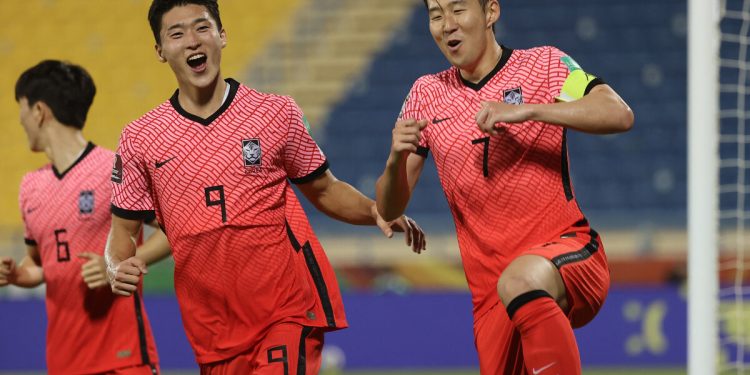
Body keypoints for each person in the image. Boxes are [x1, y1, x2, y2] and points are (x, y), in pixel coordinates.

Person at [105, 1, 426, 373]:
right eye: (176, 34)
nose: (192, 41)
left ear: (222, 36)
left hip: (285, 309)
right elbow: (123, 232)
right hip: (213, 330)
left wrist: (375, 211)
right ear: (160, 51)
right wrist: (116, 266)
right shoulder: (140, 139)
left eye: (202, 28)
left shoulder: (275, 112)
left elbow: (323, 189)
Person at [375, 0, 634, 374]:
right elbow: (388, 209)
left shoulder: (544, 65)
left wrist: (528, 109)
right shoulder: (425, 93)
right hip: (491, 296)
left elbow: (618, 113)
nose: (446, 24)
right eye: (435, 14)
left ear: (491, 12)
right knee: (512, 287)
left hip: (569, 253)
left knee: (520, 279)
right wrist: (395, 159)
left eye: (458, 10)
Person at [0, 60, 172, 375]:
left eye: (21, 108)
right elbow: (40, 263)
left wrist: (116, 266)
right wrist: (17, 276)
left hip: (124, 360)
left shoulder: (113, 170)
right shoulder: (30, 187)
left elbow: (171, 231)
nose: (20, 119)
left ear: (38, 111)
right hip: (63, 362)